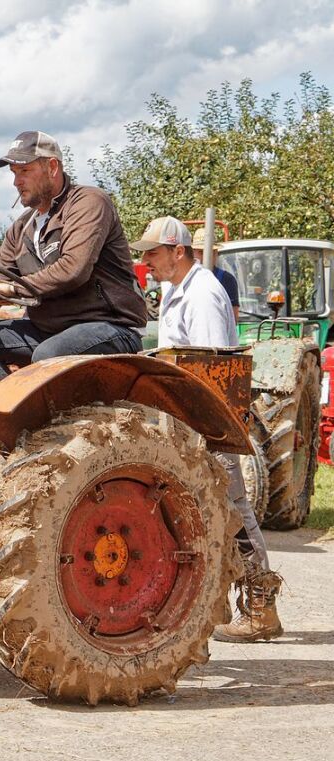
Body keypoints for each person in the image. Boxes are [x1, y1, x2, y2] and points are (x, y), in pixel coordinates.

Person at [132, 216, 282, 642]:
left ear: (178, 251)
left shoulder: (202, 295)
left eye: (153, 253)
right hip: (186, 422)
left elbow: (212, 368)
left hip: (207, 424)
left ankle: (261, 607)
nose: (146, 262)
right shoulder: (177, 290)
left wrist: (203, 434)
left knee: (234, 512)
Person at [0, 131, 146, 389]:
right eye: (14, 173)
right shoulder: (22, 229)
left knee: (48, 356)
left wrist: (16, 288)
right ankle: (16, 423)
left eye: (24, 171)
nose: (17, 181)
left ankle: (49, 424)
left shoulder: (88, 203)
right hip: (52, 330)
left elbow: (74, 269)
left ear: (52, 167)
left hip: (108, 327)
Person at [192, 227, 239, 321]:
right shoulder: (185, 279)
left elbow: (233, 318)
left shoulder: (227, 280)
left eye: (209, 252)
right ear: (193, 253)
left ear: (216, 253)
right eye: (201, 252)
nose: (206, 257)